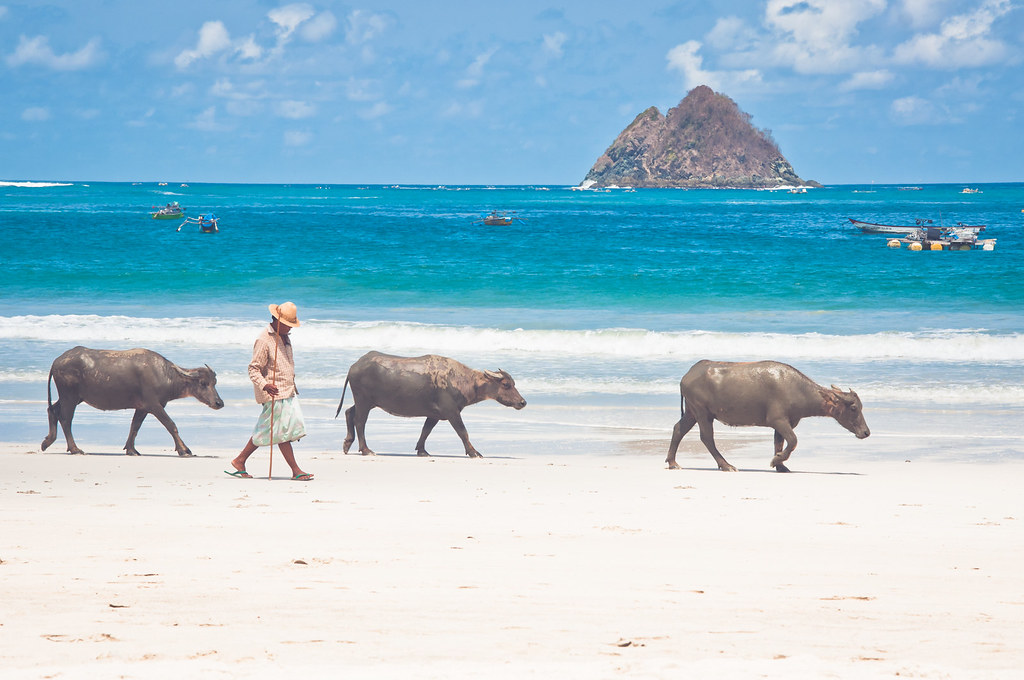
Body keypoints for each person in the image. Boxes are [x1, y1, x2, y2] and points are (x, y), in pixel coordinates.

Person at [227, 302, 313, 481]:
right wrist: (265, 385)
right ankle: (295, 470)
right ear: (277, 321)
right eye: (288, 325)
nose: (290, 329)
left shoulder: (285, 337)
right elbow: (253, 369)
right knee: (279, 431)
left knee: (272, 429)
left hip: (287, 391)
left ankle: (240, 460)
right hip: (274, 394)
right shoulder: (264, 340)